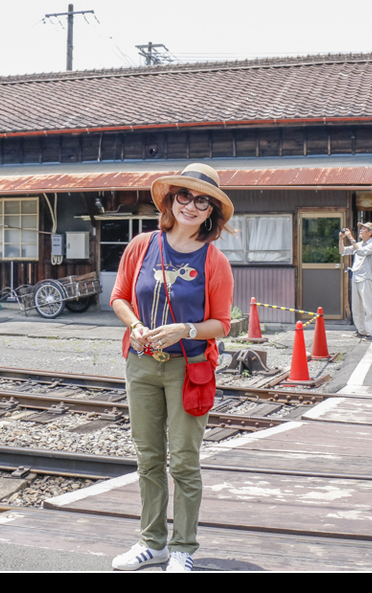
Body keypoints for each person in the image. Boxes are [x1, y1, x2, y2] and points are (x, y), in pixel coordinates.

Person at [109, 163, 235, 573]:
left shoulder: (214, 260)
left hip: (189, 368)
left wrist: (186, 328)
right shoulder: (142, 245)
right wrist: (137, 326)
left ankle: (182, 548)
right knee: (148, 458)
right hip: (141, 363)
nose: (192, 205)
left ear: (212, 212)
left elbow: (222, 323)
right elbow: (119, 297)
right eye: (185, 195)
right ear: (171, 200)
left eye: (203, 201)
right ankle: (152, 543)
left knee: (183, 460)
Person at [340, 222, 372, 338]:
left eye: (363, 228)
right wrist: (341, 239)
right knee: (356, 307)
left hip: (365, 277)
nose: (360, 230)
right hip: (355, 277)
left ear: (370, 232)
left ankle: (371, 332)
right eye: (360, 228)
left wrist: (351, 238)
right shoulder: (359, 243)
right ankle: (361, 330)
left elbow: (361, 252)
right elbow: (343, 251)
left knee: (368, 306)